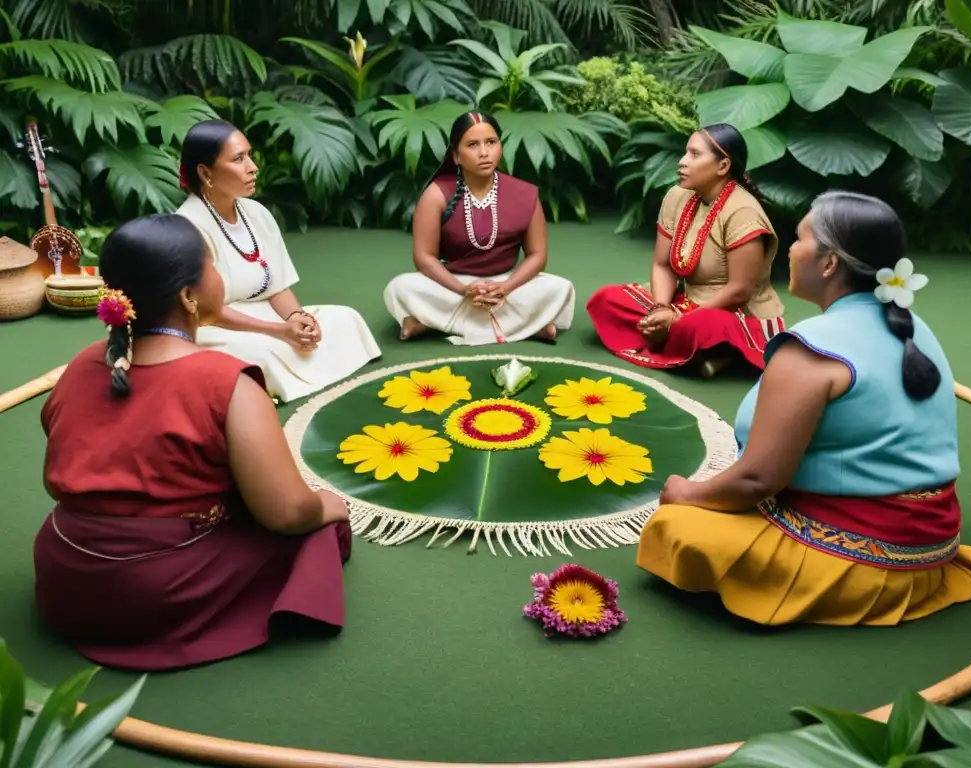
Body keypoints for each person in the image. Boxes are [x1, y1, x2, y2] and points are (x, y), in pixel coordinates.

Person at [636, 191, 971, 627]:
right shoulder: (912, 324)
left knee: (676, 529)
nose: (790, 249)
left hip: (869, 557)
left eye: (800, 238)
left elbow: (757, 479)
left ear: (829, 263)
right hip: (934, 540)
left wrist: (685, 495)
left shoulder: (812, 349)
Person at [33, 214, 354, 671]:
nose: (220, 277)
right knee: (316, 530)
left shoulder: (81, 367)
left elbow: (59, 481)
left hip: (64, 576)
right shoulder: (226, 382)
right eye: (213, 266)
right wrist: (326, 505)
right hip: (153, 589)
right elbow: (284, 513)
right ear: (189, 296)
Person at [176, 119, 381, 403]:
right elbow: (205, 312)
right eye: (238, 159)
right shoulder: (187, 226)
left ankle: (297, 357)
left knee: (345, 319)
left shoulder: (256, 212)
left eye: (249, 155)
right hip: (217, 329)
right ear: (205, 172)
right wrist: (278, 331)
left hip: (268, 319)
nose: (252, 167)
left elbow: (278, 287)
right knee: (263, 355)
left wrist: (298, 319)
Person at [586, 123, 785, 378]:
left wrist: (677, 320)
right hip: (680, 301)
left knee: (700, 327)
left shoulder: (742, 212)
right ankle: (701, 354)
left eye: (694, 154)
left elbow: (739, 290)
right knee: (608, 299)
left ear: (723, 166)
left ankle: (710, 348)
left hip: (729, 311)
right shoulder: (677, 196)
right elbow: (662, 264)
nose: (682, 162)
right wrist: (660, 308)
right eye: (685, 152)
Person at [383, 111, 575, 346]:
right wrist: (464, 290)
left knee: (560, 287)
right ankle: (528, 326)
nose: (484, 153)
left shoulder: (525, 193)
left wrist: (505, 287)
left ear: (500, 147)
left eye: (491, 143)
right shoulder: (436, 194)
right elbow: (424, 258)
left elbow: (538, 256)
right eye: (473, 145)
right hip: (453, 284)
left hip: (506, 284)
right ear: (456, 156)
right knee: (400, 287)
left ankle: (431, 324)